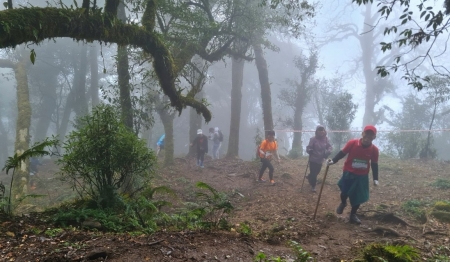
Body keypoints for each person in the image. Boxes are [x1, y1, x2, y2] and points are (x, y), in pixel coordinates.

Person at [327, 125, 379, 224]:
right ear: (362, 133)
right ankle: (343, 203)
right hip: (349, 172)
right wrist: (333, 161)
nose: (368, 137)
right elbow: (342, 153)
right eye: (366, 134)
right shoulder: (352, 143)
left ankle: (353, 215)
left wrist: (375, 179)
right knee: (344, 192)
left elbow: (374, 164)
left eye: (371, 135)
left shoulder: (374, 150)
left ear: (374, 137)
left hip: (362, 176)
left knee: (358, 196)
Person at [306, 125, 333, 192]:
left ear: (324, 131)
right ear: (317, 131)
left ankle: (310, 177)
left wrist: (328, 152)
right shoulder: (313, 139)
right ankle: (313, 186)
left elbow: (329, 147)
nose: (321, 131)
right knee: (314, 173)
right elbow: (308, 147)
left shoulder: (326, 139)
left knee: (317, 172)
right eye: (320, 130)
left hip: (320, 159)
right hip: (313, 159)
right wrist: (309, 150)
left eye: (322, 130)